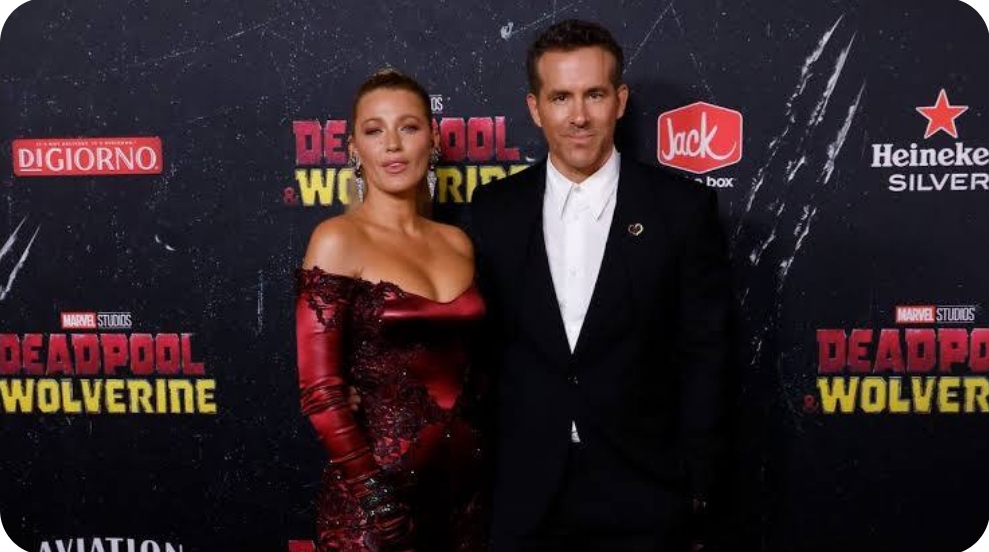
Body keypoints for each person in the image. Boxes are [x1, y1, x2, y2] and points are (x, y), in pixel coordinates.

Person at [469, 20, 731, 552]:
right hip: (523, 494)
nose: (579, 116)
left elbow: (708, 355)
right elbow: (479, 352)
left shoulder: (682, 210)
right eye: (560, 97)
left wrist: (696, 484)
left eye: (594, 94)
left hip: (646, 493)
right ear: (535, 108)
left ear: (620, 101)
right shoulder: (493, 211)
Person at [295, 68, 488, 552]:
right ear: (353, 149)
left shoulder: (459, 243)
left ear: (433, 139)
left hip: (464, 503)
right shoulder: (337, 239)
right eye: (374, 130)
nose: (393, 145)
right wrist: (379, 505)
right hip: (375, 512)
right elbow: (321, 393)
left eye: (409, 127)